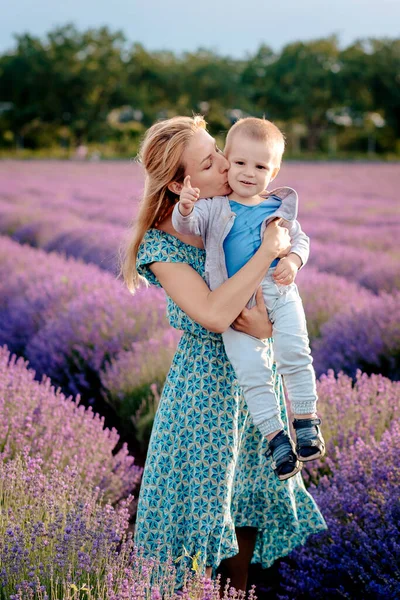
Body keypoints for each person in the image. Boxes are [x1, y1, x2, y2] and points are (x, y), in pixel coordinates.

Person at [122, 115, 327, 592]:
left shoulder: (238, 212)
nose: (224, 164)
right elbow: (214, 315)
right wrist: (266, 253)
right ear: (178, 183)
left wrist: (270, 325)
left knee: (249, 504)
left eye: (218, 151)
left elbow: (274, 300)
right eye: (209, 160)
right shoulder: (161, 242)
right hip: (206, 393)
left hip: (255, 379)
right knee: (201, 512)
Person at [172, 117, 325, 482]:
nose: (247, 172)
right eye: (239, 162)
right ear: (228, 159)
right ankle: (276, 439)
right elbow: (186, 227)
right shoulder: (216, 207)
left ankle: (305, 421)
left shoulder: (278, 207)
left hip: (280, 289)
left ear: (274, 172)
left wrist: (292, 260)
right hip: (236, 300)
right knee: (252, 372)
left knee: (295, 353)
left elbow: (299, 240)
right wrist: (186, 207)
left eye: (260, 166)